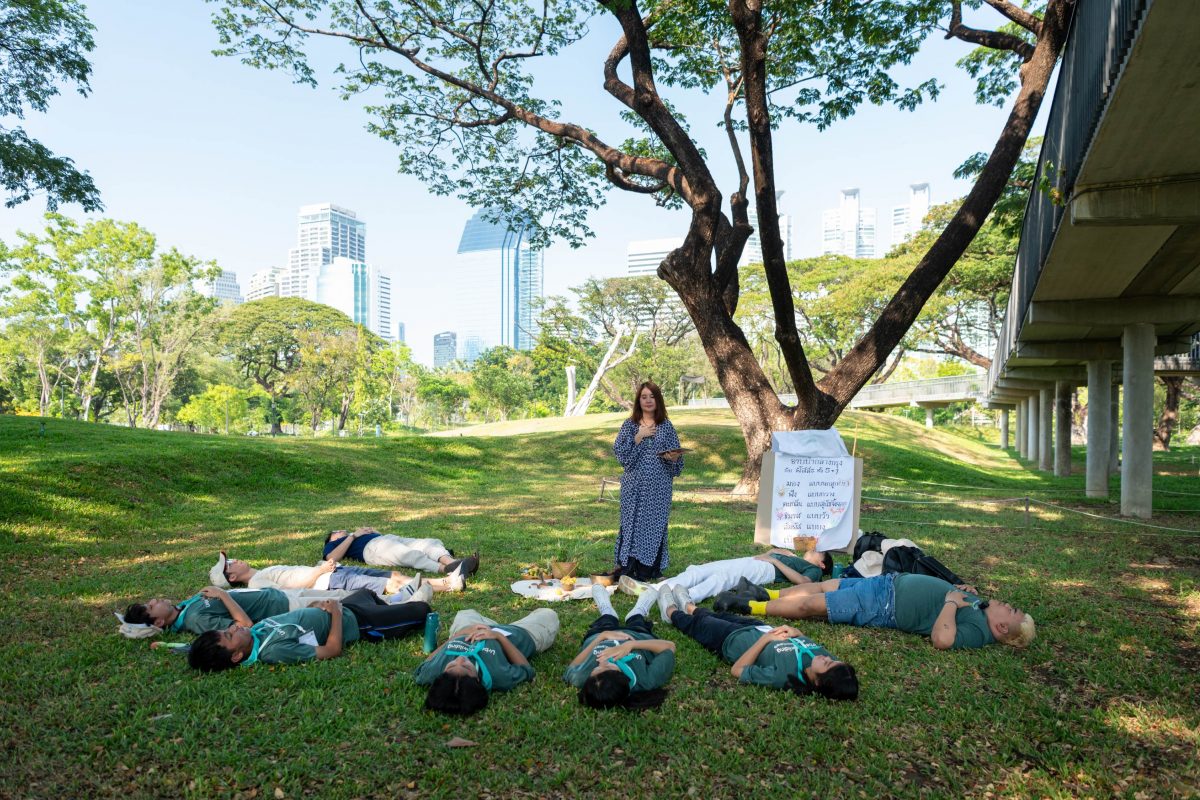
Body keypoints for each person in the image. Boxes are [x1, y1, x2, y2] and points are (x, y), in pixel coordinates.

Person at [713, 573, 1035, 650]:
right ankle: (764, 592)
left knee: (813, 605)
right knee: (827, 586)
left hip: (884, 604)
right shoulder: (982, 609)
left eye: (1013, 612)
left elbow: (943, 639)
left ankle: (747, 605)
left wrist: (951, 601)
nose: (1009, 605)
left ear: (1003, 629)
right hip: (887, 584)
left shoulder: (980, 633)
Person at [658, 585, 857, 700]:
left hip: (733, 640)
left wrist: (765, 639)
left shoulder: (783, 677)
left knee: (702, 624)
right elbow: (804, 643)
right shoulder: (830, 664)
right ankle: (690, 606)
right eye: (833, 660)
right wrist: (797, 632)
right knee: (718, 615)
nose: (827, 657)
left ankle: (670, 612)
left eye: (828, 663)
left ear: (818, 681)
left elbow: (737, 670)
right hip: (757, 626)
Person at [187, 590, 432, 671]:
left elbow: (297, 617)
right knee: (423, 609)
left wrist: (318, 605)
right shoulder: (273, 651)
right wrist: (335, 613)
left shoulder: (257, 631)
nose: (234, 627)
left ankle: (397, 606)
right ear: (237, 656)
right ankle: (404, 609)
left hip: (344, 607)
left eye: (229, 629)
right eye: (231, 635)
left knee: (368, 593)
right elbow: (332, 650)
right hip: (359, 623)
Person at [121, 584, 432, 637]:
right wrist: (221, 595)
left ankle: (397, 601)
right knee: (343, 597)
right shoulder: (198, 620)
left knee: (357, 595)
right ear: (159, 620)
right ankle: (405, 602)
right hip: (285, 606)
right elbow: (245, 625)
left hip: (279, 595)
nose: (156, 599)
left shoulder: (185, 607)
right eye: (152, 606)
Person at [414, 607, 560, 716]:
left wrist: (459, 634)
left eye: (451, 665)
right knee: (549, 614)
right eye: (466, 666)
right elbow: (526, 669)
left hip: (469, 628)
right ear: (477, 679)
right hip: (519, 634)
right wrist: (498, 637)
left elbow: (427, 661)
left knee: (465, 612)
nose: (460, 659)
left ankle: (483, 623)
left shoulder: (430, 673)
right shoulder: (499, 676)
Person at [612, 381, 684, 581]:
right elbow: (621, 456)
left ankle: (651, 570)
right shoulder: (630, 425)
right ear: (638, 401)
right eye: (644, 397)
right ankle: (628, 568)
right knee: (631, 523)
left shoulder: (666, 426)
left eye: (652, 396)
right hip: (633, 486)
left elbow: (677, 463)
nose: (648, 400)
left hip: (659, 487)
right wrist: (638, 437)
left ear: (658, 400)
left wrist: (673, 458)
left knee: (655, 524)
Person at [564, 585, 676, 710]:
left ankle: (606, 608)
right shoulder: (645, 681)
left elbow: (572, 667)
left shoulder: (580, 678)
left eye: (596, 669)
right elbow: (669, 647)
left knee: (607, 618)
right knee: (637, 619)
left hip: (600, 634)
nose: (602, 662)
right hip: (636, 634)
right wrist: (631, 644)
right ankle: (639, 609)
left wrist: (602, 636)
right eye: (608, 666)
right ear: (623, 678)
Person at [618, 546, 832, 602]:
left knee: (721, 580)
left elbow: (803, 582)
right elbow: (767, 554)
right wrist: (779, 553)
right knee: (699, 570)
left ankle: (685, 597)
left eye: (820, 551)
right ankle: (652, 590)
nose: (816, 547)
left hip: (765, 570)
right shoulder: (795, 558)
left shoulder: (813, 570)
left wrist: (776, 560)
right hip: (753, 562)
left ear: (822, 565)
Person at [208, 551, 466, 595]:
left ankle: (444, 580)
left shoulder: (261, 571)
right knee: (389, 586)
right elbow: (291, 592)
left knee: (393, 577)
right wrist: (320, 570)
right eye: (230, 564)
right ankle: (449, 586)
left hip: (332, 571)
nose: (235, 560)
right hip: (328, 581)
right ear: (231, 577)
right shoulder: (256, 583)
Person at [322, 527, 479, 577]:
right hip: (372, 549)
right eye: (336, 531)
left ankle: (452, 562)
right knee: (407, 554)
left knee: (429, 543)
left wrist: (373, 531)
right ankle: (445, 569)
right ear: (331, 538)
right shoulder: (334, 544)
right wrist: (353, 535)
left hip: (386, 538)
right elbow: (332, 558)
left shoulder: (355, 534)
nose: (341, 530)